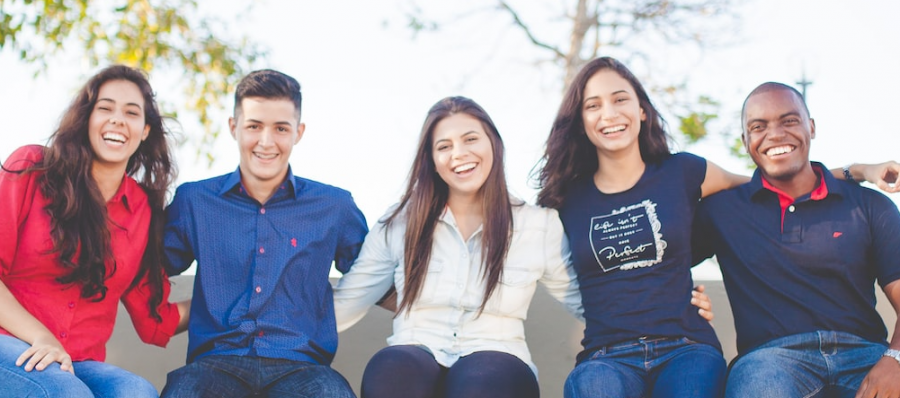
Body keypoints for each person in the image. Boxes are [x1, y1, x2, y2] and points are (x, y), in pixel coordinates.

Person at [534, 57, 894, 398]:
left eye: (620, 99)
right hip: (633, 355)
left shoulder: (686, 172)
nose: (610, 113)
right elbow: (646, 262)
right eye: (593, 105)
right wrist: (680, 292)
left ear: (642, 110)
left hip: (700, 347)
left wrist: (857, 171)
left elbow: (782, 179)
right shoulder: (569, 198)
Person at [332, 96, 714, 398]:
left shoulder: (537, 225)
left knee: (480, 380)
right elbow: (348, 300)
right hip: (415, 345)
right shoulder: (399, 223)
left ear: (493, 144)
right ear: (431, 160)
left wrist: (673, 302)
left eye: (470, 139)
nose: (459, 154)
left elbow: (592, 301)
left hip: (497, 356)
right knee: (393, 369)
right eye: (444, 146)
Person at [161, 69, 368, 398]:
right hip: (214, 364)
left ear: (298, 132)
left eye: (281, 128)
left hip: (303, 368)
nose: (266, 141)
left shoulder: (335, 206)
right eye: (254, 126)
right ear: (234, 127)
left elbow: (375, 274)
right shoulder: (194, 201)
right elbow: (144, 266)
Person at [692, 82, 900, 398]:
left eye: (789, 121)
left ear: (811, 127)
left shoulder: (868, 205)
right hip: (770, 361)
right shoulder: (721, 210)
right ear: (745, 141)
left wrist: (895, 358)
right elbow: (657, 263)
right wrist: (687, 299)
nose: (775, 134)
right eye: (758, 127)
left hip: (864, 354)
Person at [0, 65, 189, 398]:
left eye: (131, 113)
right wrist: (41, 337)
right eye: (105, 108)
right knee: (66, 392)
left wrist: (228, 297)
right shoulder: (31, 168)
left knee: (137, 392)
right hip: (10, 343)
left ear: (145, 130)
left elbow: (157, 320)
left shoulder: (142, 211)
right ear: (86, 119)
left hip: (78, 363)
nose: (117, 120)